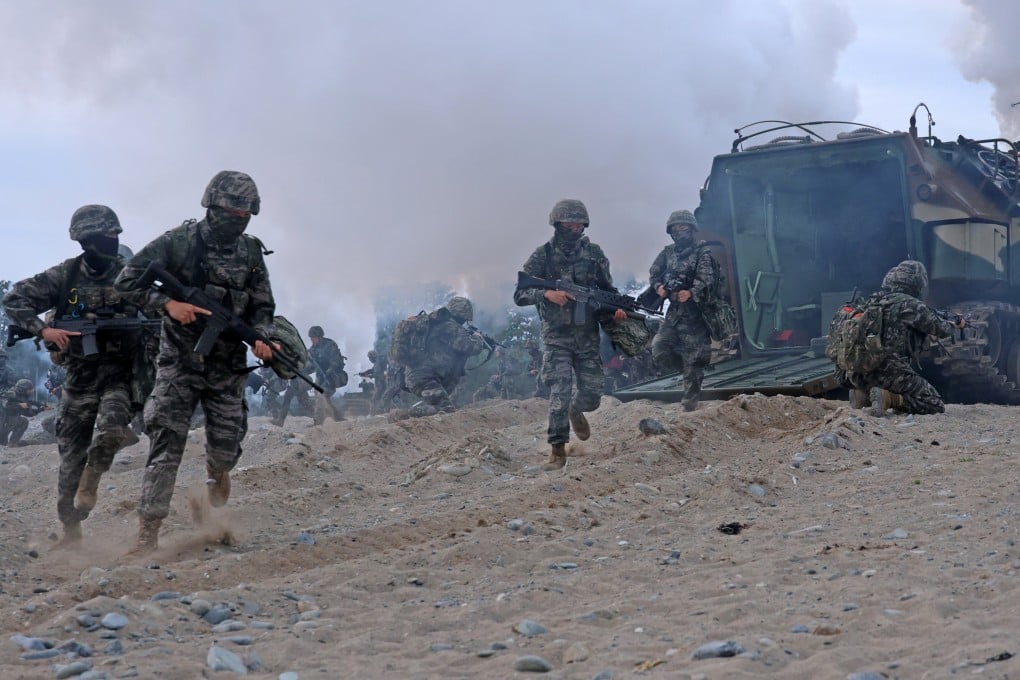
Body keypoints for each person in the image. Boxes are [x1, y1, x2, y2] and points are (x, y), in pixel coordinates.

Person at [114, 170, 276, 554]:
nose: (238, 220)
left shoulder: (251, 252)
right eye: (231, 213)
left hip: (228, 366)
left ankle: (216, 473)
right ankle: (148, 532)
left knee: (226, 445)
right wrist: (168, 303)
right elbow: (126, 282)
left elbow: (263, 305)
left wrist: (263, 338)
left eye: (245, 215)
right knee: (165, 444)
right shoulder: (178, 243)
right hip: (179, 364)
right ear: (211, 206)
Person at [2, 205, 152, 547]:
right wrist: (44, 330)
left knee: (115, 429)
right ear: (86, 240)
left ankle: (94, 473)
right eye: (107, 235)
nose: (114, 240)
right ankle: (71, 530)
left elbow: (162, 308)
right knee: (70, 457)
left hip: (120, 374)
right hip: (79, 378)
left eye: (117, 235)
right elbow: (15, 300)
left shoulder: (132, 275)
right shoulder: (65, 277)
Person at [513, 199, 628, 470]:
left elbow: (606, 291)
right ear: (557, 224)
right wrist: (546, 294)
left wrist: (616, 310)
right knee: (559, 391)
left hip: (586, 336)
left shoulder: (594, 254)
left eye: (579, 224)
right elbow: (520, 294)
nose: (574, 228)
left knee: (593, 394)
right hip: (556, 337)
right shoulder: (543, 255)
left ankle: (576, 410)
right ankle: (557, 452)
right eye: (569, 224)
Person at [837, 260, 964, 415]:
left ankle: (862, 394)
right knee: (934, 404)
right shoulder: (909, 304)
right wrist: (956, 324)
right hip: (890, 371)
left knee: (887, 376)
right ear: (915, 284)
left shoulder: (872, 301)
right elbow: (942, 329)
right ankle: (889, 398)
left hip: (856, 372)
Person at [647, 209, 721, 412]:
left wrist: (691, 292)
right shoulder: (667, 253)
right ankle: (691, 372)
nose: (681, 230)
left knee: (695, 357)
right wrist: (659, 288)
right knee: (659, 349)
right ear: (671, 231)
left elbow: (707, 278)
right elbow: (654, 275)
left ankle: (691, 398)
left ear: (692, 228)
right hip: (675, 312)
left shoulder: (702, 251)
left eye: (685, 226)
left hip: (697, 312)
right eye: (677, 227)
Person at [402, 296, 487, 417]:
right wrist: (478, 338)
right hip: (427, 379)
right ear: (462, 315)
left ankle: (413, 413)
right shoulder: (451, 327)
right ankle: (407, 415)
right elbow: (471, 348)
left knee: (437, 405)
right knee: (445, 410)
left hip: (417, 377)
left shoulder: (435, 324)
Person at [306, 325, 347, 424]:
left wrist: (329, 371)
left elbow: (336, 361)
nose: (312, 340)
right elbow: (310, 367)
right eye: (311, 338)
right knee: (323, 397)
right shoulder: (312, 350)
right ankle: (338, 416)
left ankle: (318, 422)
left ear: (320, 337)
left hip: (332, 376)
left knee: (321, 395)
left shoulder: (330, 345)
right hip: (320, 378)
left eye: (313, 338)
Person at [0, 379, 47, 447]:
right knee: (2, 444)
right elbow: (5, 404)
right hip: (2, 421)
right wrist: (18, 405)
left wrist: (40, 409)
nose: (30, 392)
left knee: (23, 422)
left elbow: (28, 413)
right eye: (28, 390)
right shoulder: (10, 393)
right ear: (22, 390)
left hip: (9, 421)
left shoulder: (22, 397)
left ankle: (12, 444)